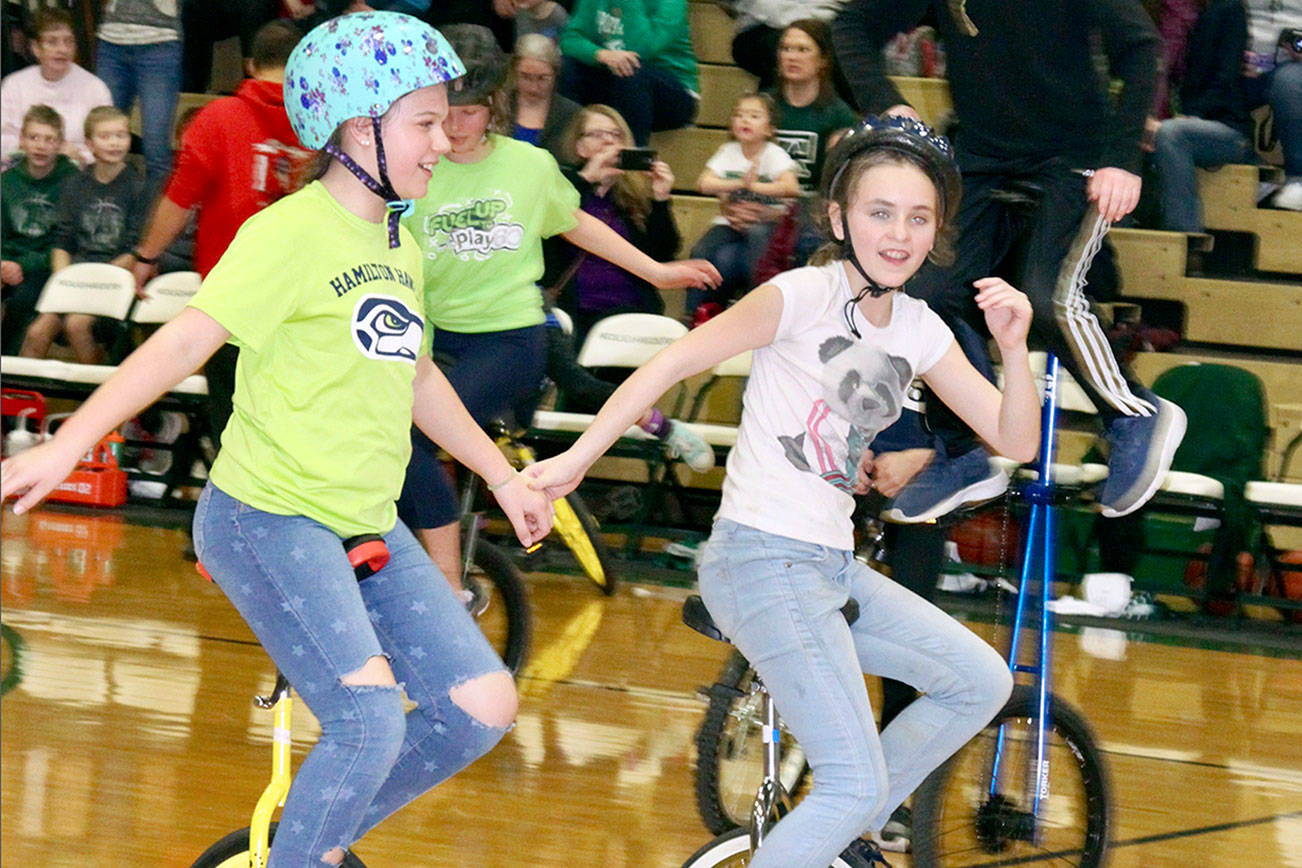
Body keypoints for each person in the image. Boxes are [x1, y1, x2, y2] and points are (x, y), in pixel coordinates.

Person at [2, 13, 553, 867]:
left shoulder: (397, 238)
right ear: (360, 125)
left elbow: (415, 377)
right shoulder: (287, 234)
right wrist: (69, 443)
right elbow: (184, 341)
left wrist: (503, 477)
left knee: (482, 704)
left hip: (364, 521)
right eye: (424, 123)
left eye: (446, 122)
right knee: (366, 723)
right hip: (267, 518)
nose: (443, 141)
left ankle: (312, 844)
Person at [525, 115, 1037, 867]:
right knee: (849, 777)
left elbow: (1016, 439)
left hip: (828, 565)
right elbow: (671, 365)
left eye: (918, 218)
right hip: (761, 558)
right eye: (879, 212)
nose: (899, 234)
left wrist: (1016, 349)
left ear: (936, 232)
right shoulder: (801, 294)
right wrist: (578, 455)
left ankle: (837, 840)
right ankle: (837, 823)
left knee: (978, 681)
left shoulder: (921, 328)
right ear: (839, 218)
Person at [834, 0, 1188, 522]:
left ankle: (1135, 413)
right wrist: (886, 102)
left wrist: (1121, 158)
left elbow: (1139, 48)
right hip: (982, 154)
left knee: (1048, 297)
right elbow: (851, 24)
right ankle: (960, 453)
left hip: (1076, 155)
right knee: (923, 293)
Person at [396, 24, 719, 586]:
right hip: (430, 338)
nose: (455, 125)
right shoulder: (415, 165)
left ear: (495, 105)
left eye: (470, 111)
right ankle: (401, 565)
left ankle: (444, 581)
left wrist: (657, 269)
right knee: (381, 441)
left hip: (510, 340)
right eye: (444, 110)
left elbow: (578, 226)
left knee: (416, 435)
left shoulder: (528, 165)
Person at [130, 19, 309, 449]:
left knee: (232, 418)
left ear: (249, 64)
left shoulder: (220, 117)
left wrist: (146, 255)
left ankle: (234, 509)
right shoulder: (323, 123)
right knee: (295, 411)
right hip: (304, 293)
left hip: (234, 292)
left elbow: (179, 197)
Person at [20, 106, 147, 362]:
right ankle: (16, 398)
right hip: (76, 274)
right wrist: (64, 280)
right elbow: (62, 242)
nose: (114, 143)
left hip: (115, 276)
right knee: (37, 331)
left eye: (121, 135)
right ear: (89, 143)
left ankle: (100, 397)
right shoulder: (74, 184)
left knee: (77, 325)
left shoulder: (139, 186)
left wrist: (95, 281)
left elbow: (136, 248)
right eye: (105, 136)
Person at [549, 103, 683, 342]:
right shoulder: (562, 184)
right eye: (597, 135)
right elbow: (546, 236)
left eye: (615, 135)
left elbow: (663, 253)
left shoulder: (636, 194)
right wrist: (588, 179)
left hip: (632, 310)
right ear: (580, 146)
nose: (608, 142)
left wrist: (661, 199)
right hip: (576, 311)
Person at [688, 92, 801, 313]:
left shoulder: (774, 154)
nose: (745, 120)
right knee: (700, 250)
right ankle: (694, 311)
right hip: (729, 222)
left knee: (759, 238)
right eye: (739, 115)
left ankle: (756, 305)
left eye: (754, 116)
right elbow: (703, 183)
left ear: (769, 129)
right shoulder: (727, 151)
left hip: (767, 222)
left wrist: (755, 186)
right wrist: (740, 182)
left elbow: (791, 187)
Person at [1150, 0, 1254, 232]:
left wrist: (1192, 116)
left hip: (1226, 127)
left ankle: (1186, 236)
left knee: (1171, 134)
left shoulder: (1228, 10)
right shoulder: (1168, 17)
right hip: (1179, 121)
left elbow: (1225, 77)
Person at [558, 0, 699, 145]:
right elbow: (569, 39)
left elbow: (641, 48)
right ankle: (570, 153)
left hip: (672, 94)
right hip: (615, 81)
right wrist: (600, 54)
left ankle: (631, 160)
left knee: (631, 71)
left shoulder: (671, 3)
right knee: (567, 67)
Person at [1, 104, 79, 351]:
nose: (41, 146)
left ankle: (7, 369)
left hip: (44, 265)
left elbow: (67, 243)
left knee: (22, 298)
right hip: (8, 261)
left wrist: (21, 265)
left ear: (60, 144)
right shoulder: (6, 181)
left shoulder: (72, 181)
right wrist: (3, 264)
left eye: (49, 139)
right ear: (21, 140)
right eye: (34, 137)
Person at [0, 8, 112, 167]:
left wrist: (81, 156)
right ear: (35, 48)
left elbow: (106, 141)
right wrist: (37, 148)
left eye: (68, 41)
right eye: (52, 42)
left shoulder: (95, 88)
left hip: (75, 172)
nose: (62, 49)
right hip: (23, 169)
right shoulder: (14, 84)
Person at [95, 0, 182, 186]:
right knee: (102, 136)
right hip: (110, 39)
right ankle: (106, 209)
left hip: (160, 42)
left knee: (155, 147)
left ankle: (155, 213)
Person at [1243, 0, 1302, 209]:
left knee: (1290, 82)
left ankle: (1298, 179)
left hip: (1293, 68)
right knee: (1218, 82)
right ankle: (1256, 170)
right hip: (1244, 65)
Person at [509, 32, 580, 159]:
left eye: (542, 78)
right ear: (514, 71)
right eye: (525, 77)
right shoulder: (497, 105)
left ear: (555, 75)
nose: (533, 87)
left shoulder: (572, 114)